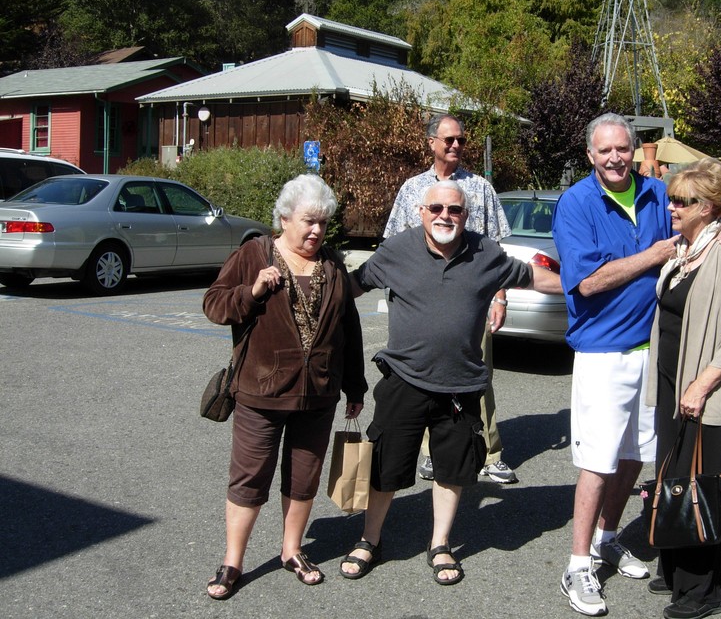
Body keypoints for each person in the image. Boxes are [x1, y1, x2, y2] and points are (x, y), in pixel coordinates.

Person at [551, 113, 721, 617]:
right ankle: (577, 564)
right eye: (605, 150)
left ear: (634, 150)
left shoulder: (658, 193)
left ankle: (608, 537)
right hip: (604, 353)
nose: (615, 158)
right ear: (590, 155)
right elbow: (588, 282)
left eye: (623, 149)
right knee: (598, 462)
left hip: (655, 352)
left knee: (636, 455)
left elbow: (700, 214)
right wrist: (655, 254)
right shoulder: (576, 203)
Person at [339, 181, 561, 586]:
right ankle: (369, 539)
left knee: (452, 471)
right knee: (385, 467)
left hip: (461, 386)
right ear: (421, 212)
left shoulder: (485, 252)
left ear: (466, 215)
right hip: (404, 380)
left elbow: (533, 277)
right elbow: (350, 286)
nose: (445, 216)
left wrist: (586, 285)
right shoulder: (396, 250)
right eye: (437, 208)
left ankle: (440, 544)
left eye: (455, 210)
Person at [202, 174, 366, 600]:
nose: (316, 231)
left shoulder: (332, 265)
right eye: (309, 221)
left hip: (318, 393)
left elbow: (349, 329)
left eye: (323, 223)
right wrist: (252, 291)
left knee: (304, 477)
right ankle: (232, 562)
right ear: (285, 218)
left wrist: (355, 386)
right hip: (262, 391)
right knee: (249, 478)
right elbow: (214, 304)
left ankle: (291, 550)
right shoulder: (253, 254)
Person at [646, 159, 721, 619]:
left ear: (708, 208)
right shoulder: (683, 250)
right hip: (672, 385)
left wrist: (702, 385)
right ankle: (676, 568)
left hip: (704, 391)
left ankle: (703, 590)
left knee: (699, 483)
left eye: (682, 201)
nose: (672, 207)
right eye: (671, 199)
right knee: (671, 477)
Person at [383, 114, 517, 485]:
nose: (456, 145)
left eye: (461, 139)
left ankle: (489, 453)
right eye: (449, 139)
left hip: (472, 303)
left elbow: (495, 251)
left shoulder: (480, 188)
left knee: (479, 374)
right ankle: (431, 453)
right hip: (420, 304)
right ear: (431, 143)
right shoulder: (413, 189)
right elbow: (394, 247)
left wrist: (500, 297)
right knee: (422, 376)